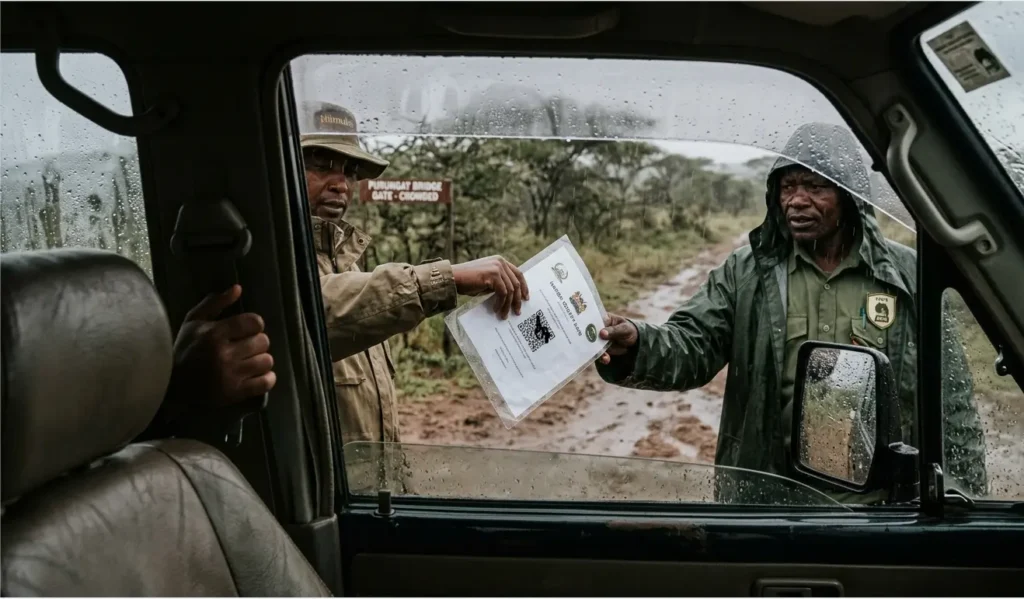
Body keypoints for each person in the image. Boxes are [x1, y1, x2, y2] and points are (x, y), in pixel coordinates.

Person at [595, 122, 988, 502]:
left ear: (848, 195)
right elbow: (691, 345)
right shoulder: (746, 272)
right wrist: (638, 342)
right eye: (788, 187)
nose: (797, 201)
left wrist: (963, 499)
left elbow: (951, 401)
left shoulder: (907, 276)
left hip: (881, 511)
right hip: (773, 509)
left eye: (815, 186)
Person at [299, 101, 528, 446]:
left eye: (349, 170)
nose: (342, 184)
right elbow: (319, 307)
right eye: (322, 164)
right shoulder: (272, 261)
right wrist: (445, 278)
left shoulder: (345, 261)